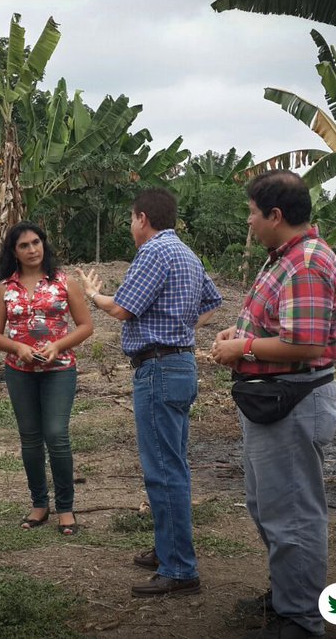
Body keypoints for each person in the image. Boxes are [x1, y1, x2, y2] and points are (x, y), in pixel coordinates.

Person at [210, 170, 336, 639]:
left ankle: (301, 619)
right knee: (267, 505)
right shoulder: (282, 257)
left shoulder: (305, 263)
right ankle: (289, 594)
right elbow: (275, 325)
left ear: (276, 215)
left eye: (252, 212)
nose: (249, 221)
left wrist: (243, 350)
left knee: (292, 513)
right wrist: (240, 333)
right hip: (274, 400)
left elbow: (306, 344)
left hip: (295, 399)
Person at [79, 188, 222, 598]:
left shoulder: (154, 253)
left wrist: (93, 295)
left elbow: (123, 308)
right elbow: (212, 303)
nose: (130, 225)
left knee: (163, 470)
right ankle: (168, 550)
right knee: (172, 464)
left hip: (158, 368)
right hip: (180, 364)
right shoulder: (186, 253)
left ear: (142, 218)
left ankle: (179, 568)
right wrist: (180, 328)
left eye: (130, 218)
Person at [0, 222, 94, 535]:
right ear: (14, 252)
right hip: (20, 372)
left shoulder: (64, 282)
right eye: (24, 245)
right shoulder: (5, 288)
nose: (33, 250)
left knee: (56, 434)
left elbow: (85, 326)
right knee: (30, 438)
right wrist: (16, 346)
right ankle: (39, 504)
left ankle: (65, 507)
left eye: (36, 242)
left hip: (59, 369)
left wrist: (58, 345)